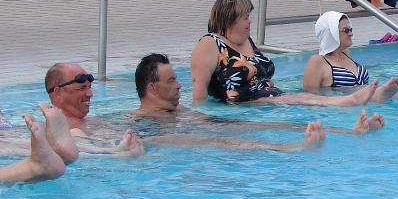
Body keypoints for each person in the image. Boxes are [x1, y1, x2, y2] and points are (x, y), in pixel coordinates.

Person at [132, 53, 383, 145]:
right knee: (226, 142)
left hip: (208, 127)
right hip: (189, 139)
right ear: (152, 89)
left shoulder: (180, 111)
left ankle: (350, 132)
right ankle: (297, 147)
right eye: (171, 81)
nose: (179, 86)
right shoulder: (139, 123)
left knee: (269, 125)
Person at [191, 0, 379, 106]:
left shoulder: (246, 41)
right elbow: (199, 87)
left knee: (301, 99)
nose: (250, 21)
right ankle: (348, 101)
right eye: (245, 17)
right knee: (302, 99)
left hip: (270, 97)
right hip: (245, 103)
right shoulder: (210, 44)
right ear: (229, 20)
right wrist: (203, 120)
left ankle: (365, 97)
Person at [302, 11, 398, 100]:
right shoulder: (318, 61)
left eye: (350, 29)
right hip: (342, 106)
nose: (351, 34)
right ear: (331, 33)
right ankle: (375, 96)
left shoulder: (346, 54)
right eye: (345, 30)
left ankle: (375, 95)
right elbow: (309, 97)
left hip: (362, 101)